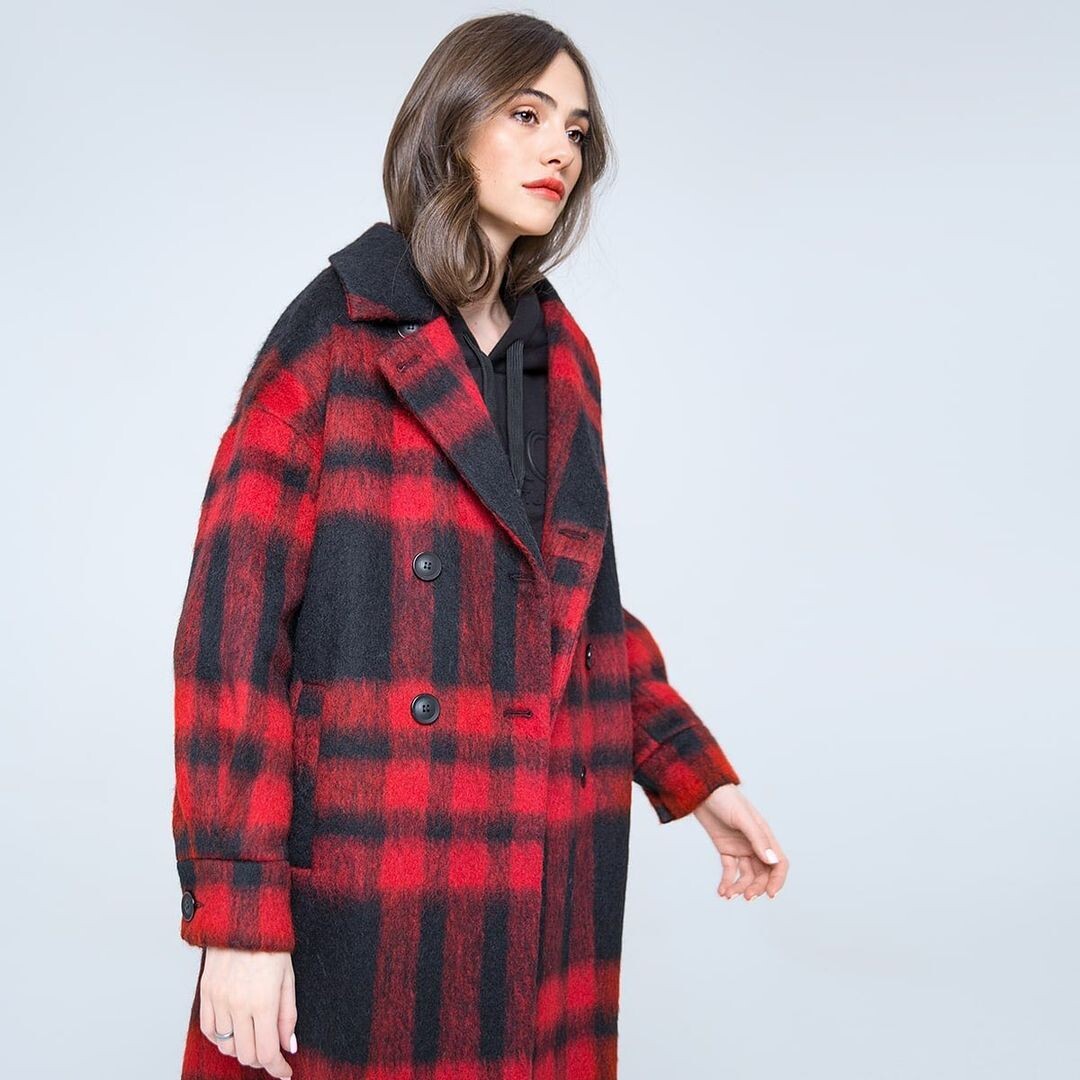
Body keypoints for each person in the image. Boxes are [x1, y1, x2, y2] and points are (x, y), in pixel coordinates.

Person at [171, 12, 788, 1079]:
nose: (561, 151)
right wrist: (238, 917)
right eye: (528, 114)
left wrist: (694, 777)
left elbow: (578, 608)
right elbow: (229, 636)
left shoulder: (563, 355)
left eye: (578, 131)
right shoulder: (337, 330)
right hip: (380, 855)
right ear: (451, 126)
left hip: (547, 851)